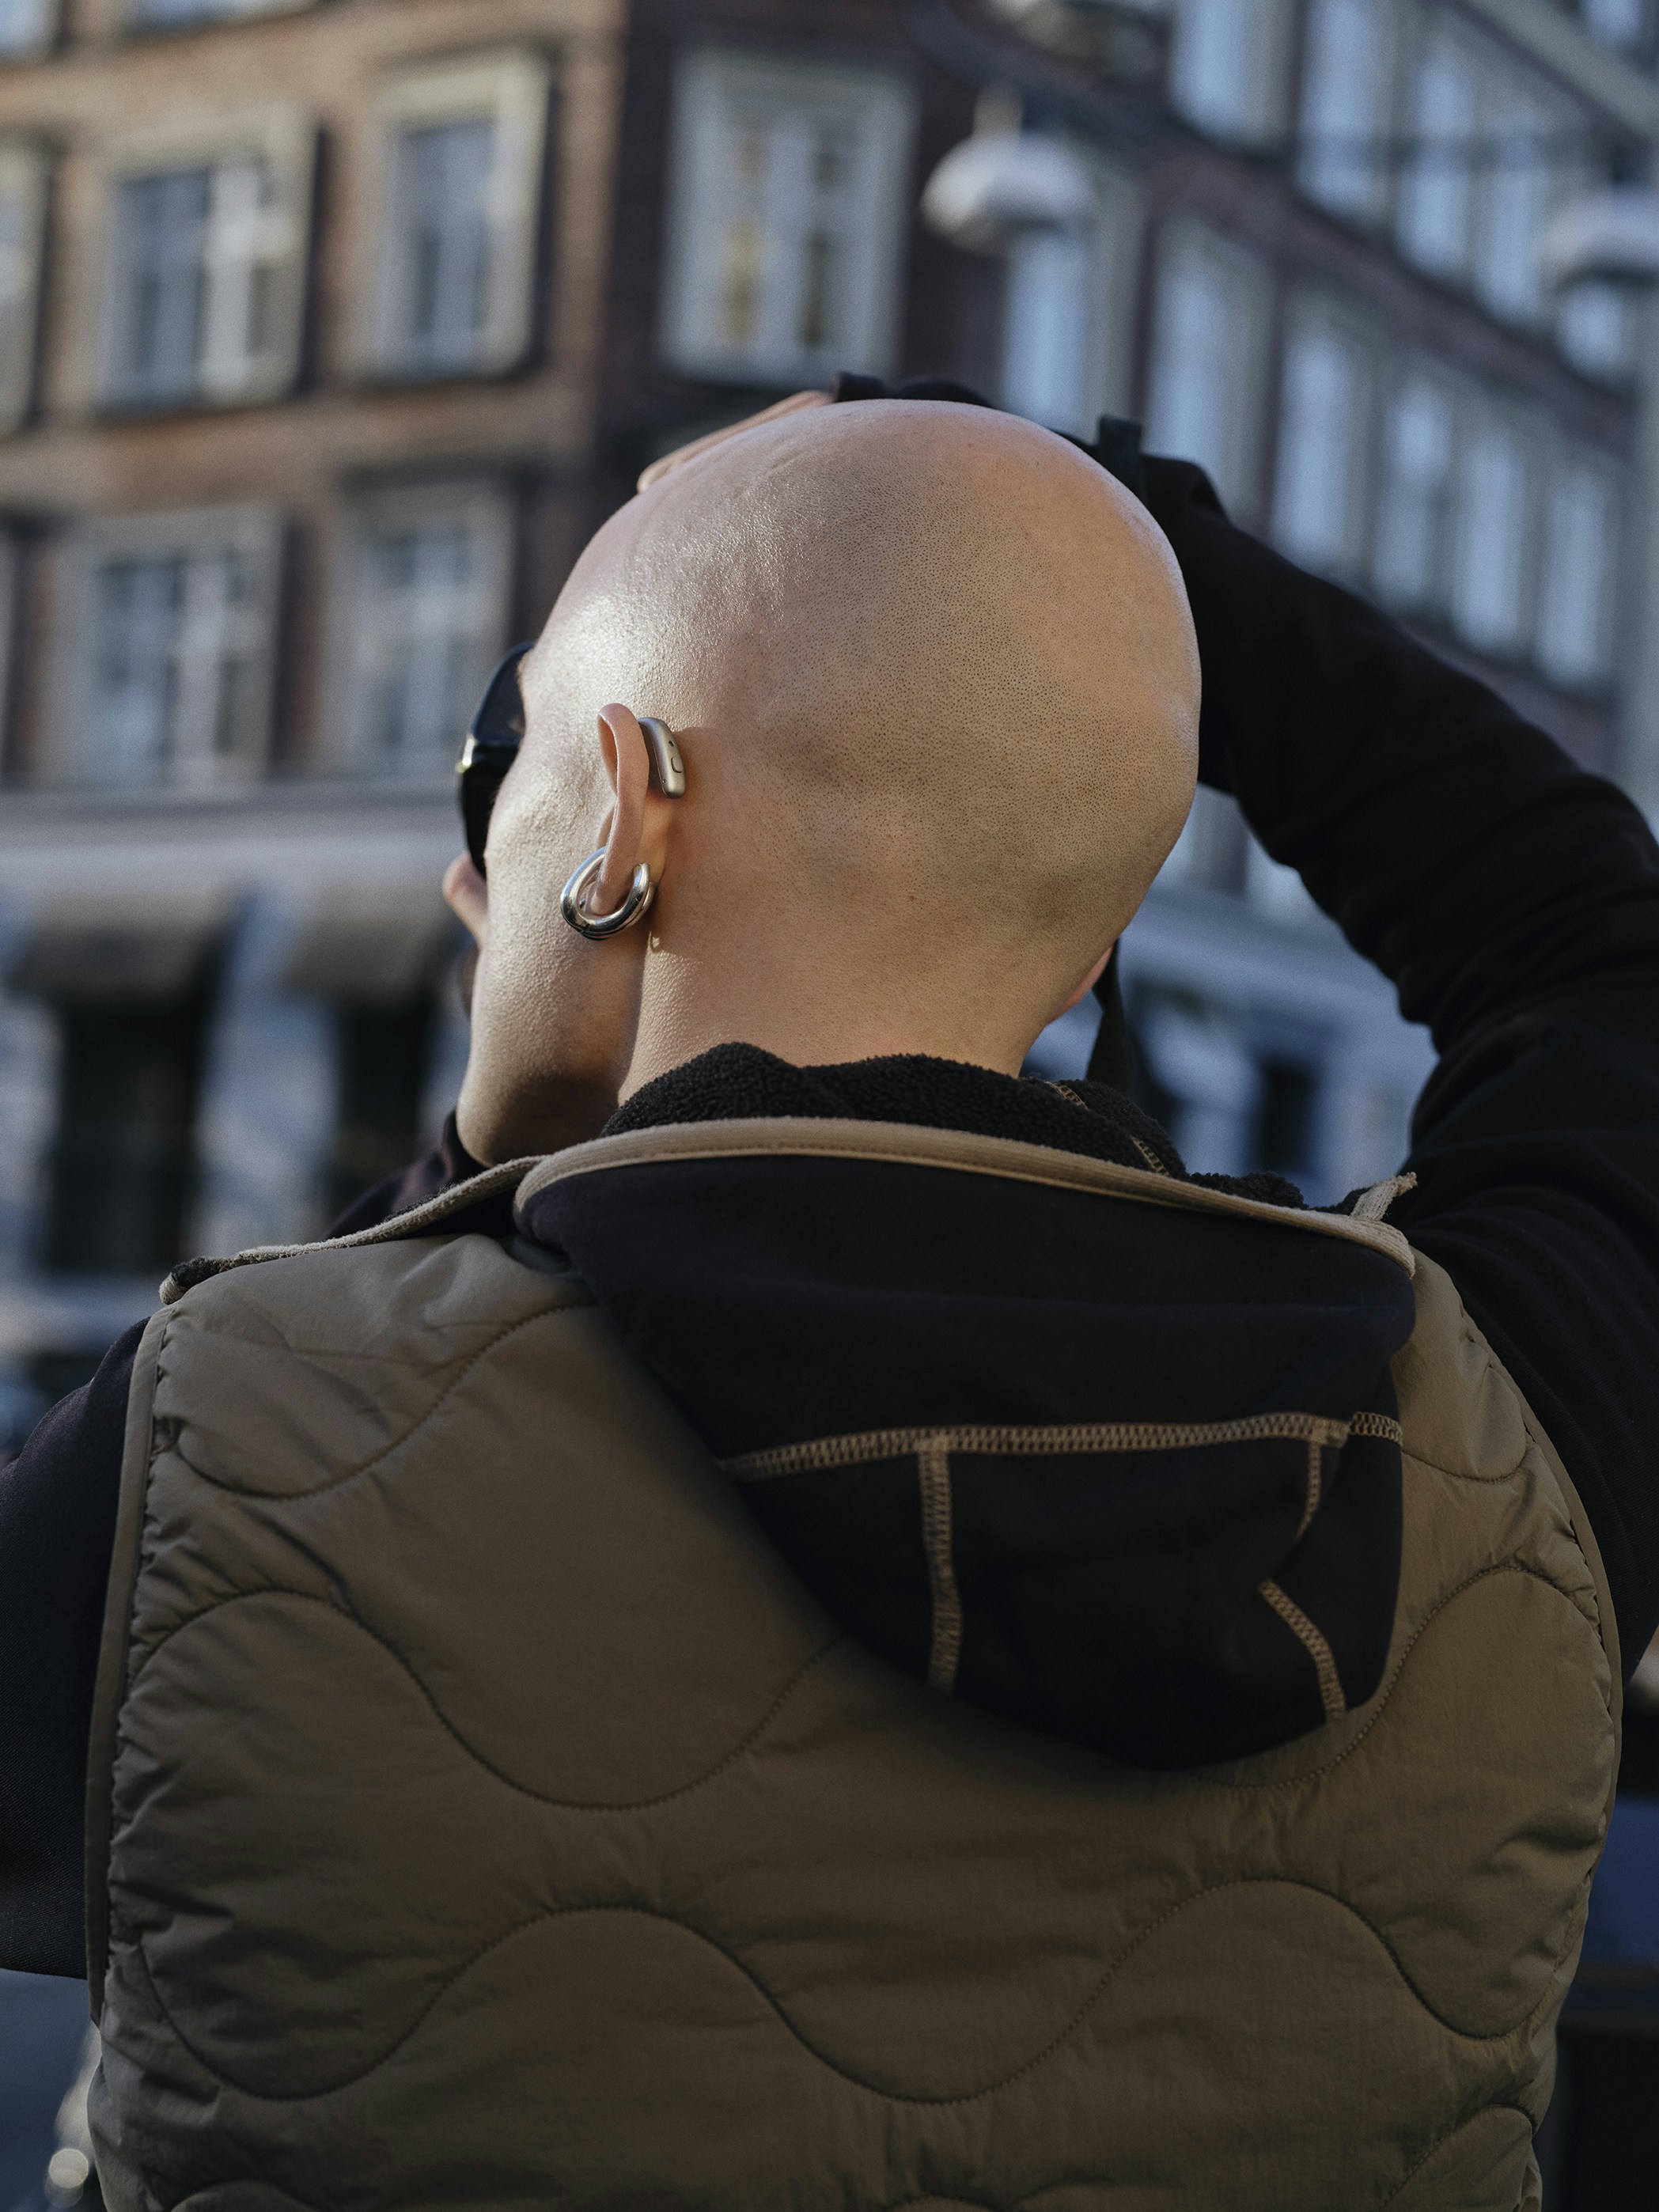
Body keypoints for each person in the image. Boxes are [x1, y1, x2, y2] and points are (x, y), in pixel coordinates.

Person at [2, 386, 1656, 2210]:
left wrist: (497, 1123)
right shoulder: (1500, 1435)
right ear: (1093, 950)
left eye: (518, 774)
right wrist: (1122, 536)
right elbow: (1591, 951)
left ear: (624, 810)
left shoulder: (224, 1432)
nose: (476, 874)